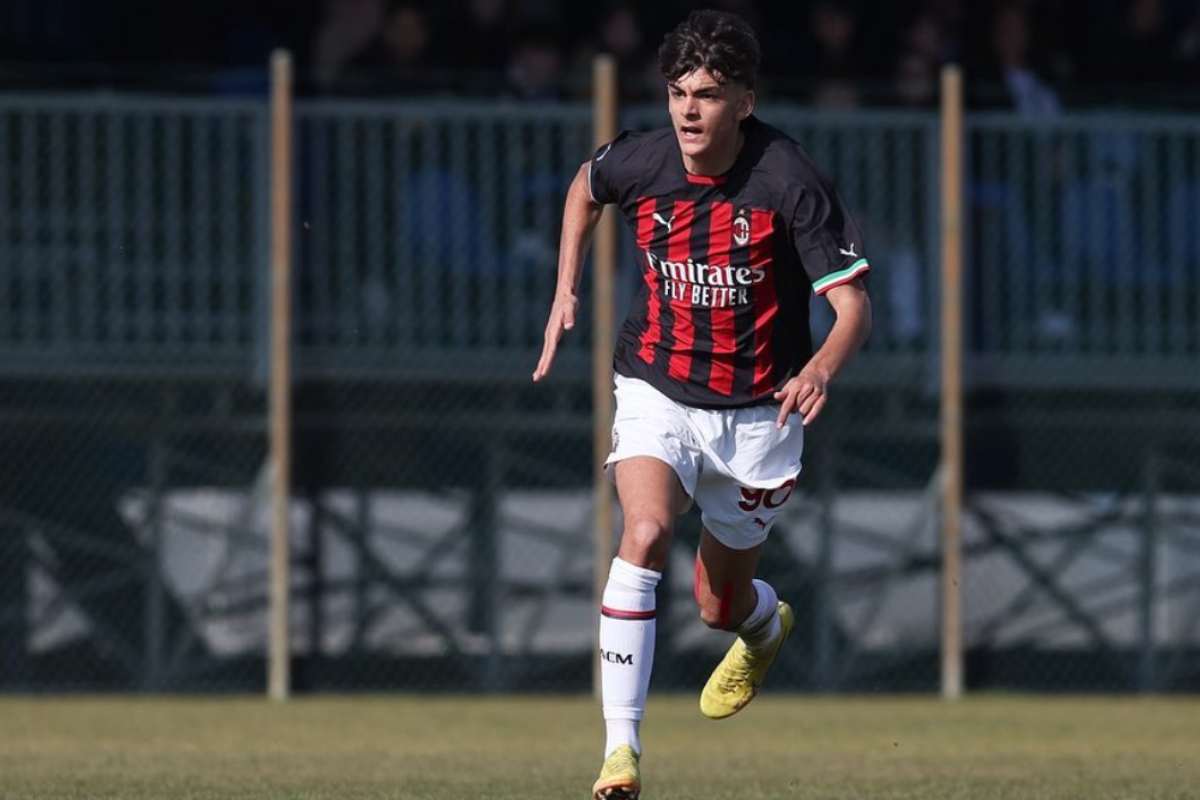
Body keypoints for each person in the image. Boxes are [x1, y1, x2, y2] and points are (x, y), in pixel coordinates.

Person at [532, 9, 873, 799]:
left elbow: (853, 307)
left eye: (709, 95)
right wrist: (564, 288)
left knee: (717, 605)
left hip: (759, 414)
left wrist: (821, 366)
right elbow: (585, 187)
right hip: (657, 386)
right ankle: (621, 752)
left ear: (744, 102)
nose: (689, 111)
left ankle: (762, 623)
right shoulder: (644, 160)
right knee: (645, 532)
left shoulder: (788, 179)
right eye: (679, 93)